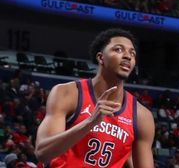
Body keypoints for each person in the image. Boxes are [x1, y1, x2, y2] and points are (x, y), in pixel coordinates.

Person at [35, 28, 155, 167]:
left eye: (132, 53)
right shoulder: (67, 93)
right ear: (101, 57)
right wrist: (90, 122)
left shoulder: (142, 116)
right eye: (118, 50)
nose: (128, 56)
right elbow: (42, 153)